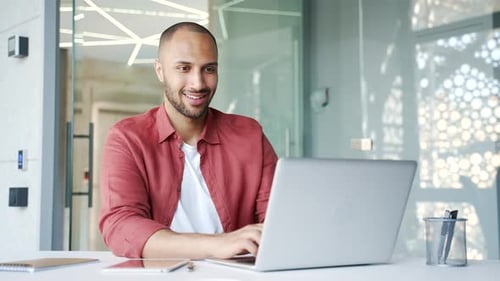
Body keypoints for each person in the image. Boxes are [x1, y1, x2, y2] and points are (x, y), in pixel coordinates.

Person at [99, 21, 278, 259]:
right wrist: (217, 245)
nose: (198, 83)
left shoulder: (250, 135)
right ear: (160, 70)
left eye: (209, 69)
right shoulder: (127, 138)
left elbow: (277, 218)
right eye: (184, 68)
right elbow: (121, 226)